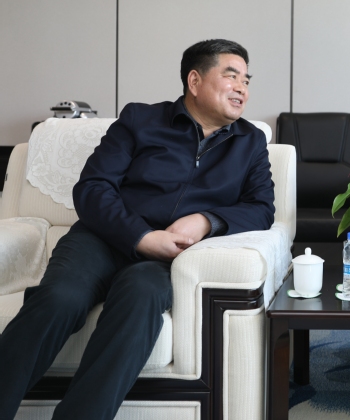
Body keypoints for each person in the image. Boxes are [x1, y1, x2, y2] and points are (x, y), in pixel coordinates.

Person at [0, 39, 275, 420]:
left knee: (140, 298)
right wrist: (141, 237)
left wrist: (206, 220)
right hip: (101, 239)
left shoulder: (250, 141)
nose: (242, 87)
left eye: (246, 80)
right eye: (231, 76)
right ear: (195, 81)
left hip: (169, 258)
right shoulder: (140, 119)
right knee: (60, 297)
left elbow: (261, 209)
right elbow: (93, 188)